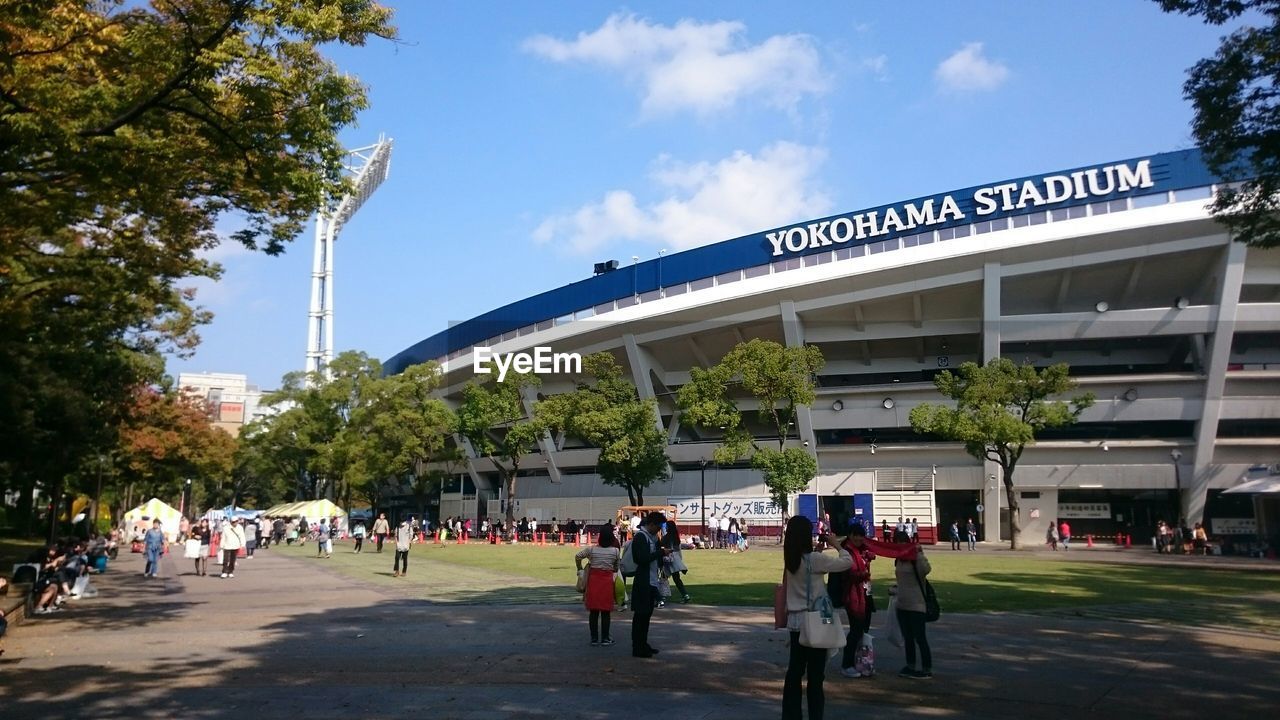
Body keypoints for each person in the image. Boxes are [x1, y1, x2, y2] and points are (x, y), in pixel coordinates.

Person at [781, 515, 851, 720]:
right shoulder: (815, 560)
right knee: (815, 675)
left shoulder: (791, 560)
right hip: (817, 620)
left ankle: (791, 715)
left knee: (794, 672)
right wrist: (837, 545)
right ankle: (815, 715)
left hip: (796, 622)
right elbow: (847, 563)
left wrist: (818, 552)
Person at [894, 529, 933, 679]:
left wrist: (919, 554)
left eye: (902, 543)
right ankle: (910, 665)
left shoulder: (915, 557)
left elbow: (926, 570)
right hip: (902, 604)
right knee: (908, 638)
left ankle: (926, 668)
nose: (900, 546)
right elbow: (902, 581)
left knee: (920, 638)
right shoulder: (898, 559)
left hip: (917, 604)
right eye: (898, 543)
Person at [575, 527, 621, 646]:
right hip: (607, 582)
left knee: (594, 611)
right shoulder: (615, 551)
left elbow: (578, 556)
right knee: (606, 612)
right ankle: (605, 638)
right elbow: (616, 567)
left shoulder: (592, 550)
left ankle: (594, 638)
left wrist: (579, 567)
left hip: (594, 581)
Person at [630, 512, 667, 658]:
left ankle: (643, 644)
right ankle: (637, 647)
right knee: (640, 615)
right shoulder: (640, 537)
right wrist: (660, 553)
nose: (658, 531)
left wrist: (662, 553)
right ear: (651, 524)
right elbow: (641, 559)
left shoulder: (652, 538)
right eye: (657, 528)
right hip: (642, 581)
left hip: (651, 580)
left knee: (647, 615)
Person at [660, 519, 691, 603]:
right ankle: (685, 595)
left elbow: (662, 546)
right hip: (676, 559)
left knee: (663, 578)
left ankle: (662, 598)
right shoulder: (676, 537)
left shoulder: (666, 537)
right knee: (677, 579)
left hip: (668, 560)